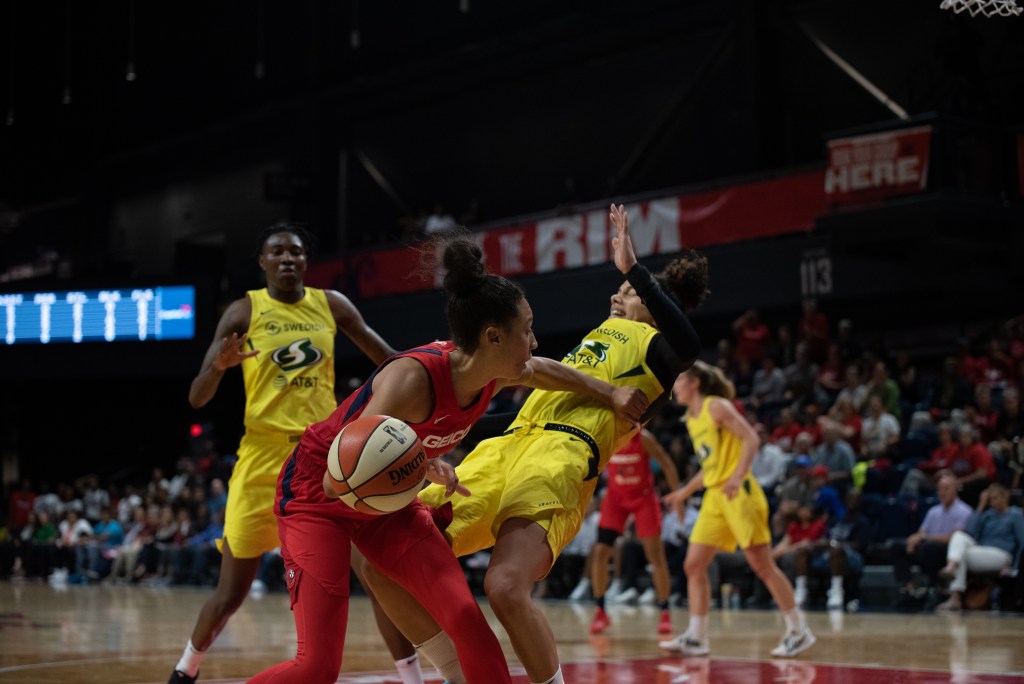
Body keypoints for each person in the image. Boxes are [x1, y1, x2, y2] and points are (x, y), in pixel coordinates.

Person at [247, 233, 649, 684]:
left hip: (386, 501)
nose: (534, 341)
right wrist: (415, 463)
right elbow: (340, 477)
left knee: (464, 616)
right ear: (493, 336)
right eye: (528, 329)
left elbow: (545, 372)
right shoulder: (410, 380)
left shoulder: (493, 372)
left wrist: (609, 391)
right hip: (317, 494)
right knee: (317, 667)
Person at [360, 203, 706, 684]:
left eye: (627, 292)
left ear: (653, 306)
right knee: (380, 555)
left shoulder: (655, 352)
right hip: (506, 447)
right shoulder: (601, 335)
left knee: (503, 586)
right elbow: (511, 413)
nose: (617, 293)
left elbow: (689, 346)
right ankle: (455, 673)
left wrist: (636, 271)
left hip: (560, 461)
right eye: (620, 287)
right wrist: (436, 431)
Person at [168, 223, 397, 684]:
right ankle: (185, 671)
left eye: (295, 251)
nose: (287, 258)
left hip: (323, 456)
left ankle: (413, 676)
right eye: (277, 252)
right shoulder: (242, 311)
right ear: (262, 262)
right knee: (231, 592)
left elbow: (389, 359)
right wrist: (219, 366)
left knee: (374, 572)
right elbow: (197, 397)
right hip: (260, 457)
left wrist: (434, 373)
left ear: (306, 261)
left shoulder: (331, 305)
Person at [660, 360, 815, 658]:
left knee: (761, 564)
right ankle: (697, 637)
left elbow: (751, 438)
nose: (675, 386)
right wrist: (683, 492)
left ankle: (799, 630)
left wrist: (737, 475)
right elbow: (710, 468)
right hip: (715, 498)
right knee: (693, 564)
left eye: (679, 381)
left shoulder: (715, 406)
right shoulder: (692, 419)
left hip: (739, 493)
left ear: (694, 383)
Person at [589, 428, 681, 636]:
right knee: (600, 552)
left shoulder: (644, 438)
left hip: (643, 498)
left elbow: (666, 463)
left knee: (655, 556)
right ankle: (600, 610)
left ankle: (665, 612)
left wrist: (678, 499)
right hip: (615, 499)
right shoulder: (608, 436)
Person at [937, 483, 1024, 611]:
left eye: (994, 498)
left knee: (960, 554)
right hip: (981, 551)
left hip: (1002, 555)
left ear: (1005, 496)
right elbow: (970, 531)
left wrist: (1015, 568)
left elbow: (1022, 541)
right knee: (959, 536)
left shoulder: (1015, 514)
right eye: (990, 499)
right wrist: (980, 506)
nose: (992, 502)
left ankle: (954, 596)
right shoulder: (987, 515)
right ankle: (951, 570)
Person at [891, 472, 972, 608]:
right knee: (897, 546)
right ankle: (911, 590)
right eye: (940, 489)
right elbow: (922, 531)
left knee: (930, 547)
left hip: (947, 553)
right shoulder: (933, 511)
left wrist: (925, 538)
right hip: (927, 548)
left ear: (955, 489)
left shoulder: (965, 511)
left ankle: (936, 590)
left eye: (946, 488)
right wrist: (914, 538)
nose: (942, 492)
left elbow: (956, 537)